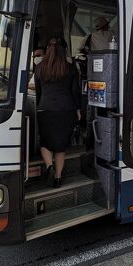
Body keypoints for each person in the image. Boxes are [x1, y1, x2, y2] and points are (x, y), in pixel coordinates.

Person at [35, 38, 81, 188]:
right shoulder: (70, 68)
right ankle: (58, 178)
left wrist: (40, 106)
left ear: (48, 49)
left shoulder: (40, 67)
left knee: (45, 143)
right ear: (64, 50)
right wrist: (78, 109)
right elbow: (75, 91)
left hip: (45, 109)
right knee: (61, 147)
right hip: (65, 110)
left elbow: (39, 91)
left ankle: (49, 166)